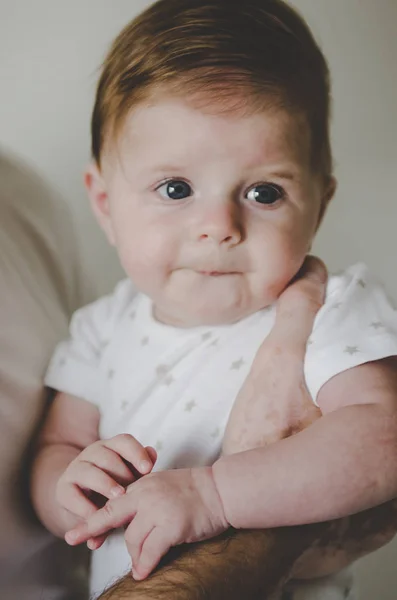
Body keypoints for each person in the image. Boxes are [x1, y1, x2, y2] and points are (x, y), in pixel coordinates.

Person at [30, 0, 397, 598]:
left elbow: (383, 437)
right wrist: (67, 492)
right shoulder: (101, 327)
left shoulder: (329, 308)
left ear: (319, 204)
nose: (218, 225)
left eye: (264, 192)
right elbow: (56, 449)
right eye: (176, 188)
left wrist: (217, 495)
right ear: (104, 203)